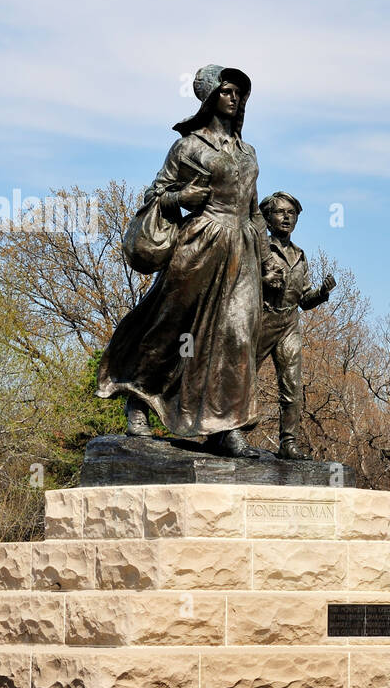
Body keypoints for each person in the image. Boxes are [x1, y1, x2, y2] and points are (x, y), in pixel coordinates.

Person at [97, 64, 274, 458]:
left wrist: (266, 258)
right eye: (227, 91)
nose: (235, 98)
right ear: (212, 97)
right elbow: (153, 194)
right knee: (171, 329)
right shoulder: (189, 146)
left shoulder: (248, 153)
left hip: (241, 249)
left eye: (239, 93)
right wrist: (180, 200)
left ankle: (225, 427)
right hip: (199, 244)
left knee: (238, 338)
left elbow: (253, 209)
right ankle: (138, 400)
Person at [257, 192, 335, 459]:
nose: (287, 217)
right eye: (280, 212)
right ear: (267, 219)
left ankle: (288, 443)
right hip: (261, 320)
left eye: (292, 213)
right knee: (243, 379)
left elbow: (304, 299)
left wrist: (322, 293)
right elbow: (239, 284)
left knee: (292, 385)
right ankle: (224, 435)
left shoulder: (299, 255)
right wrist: (264, 280)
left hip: (289, 323)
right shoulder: (260, 250)